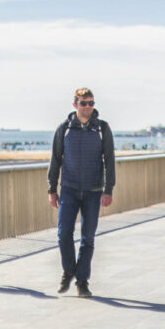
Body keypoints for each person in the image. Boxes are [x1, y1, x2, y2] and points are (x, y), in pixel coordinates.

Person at [47, 87, 115, 298]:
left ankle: (82, 281)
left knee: (88, 238)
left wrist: (108, 190)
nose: (88, 107)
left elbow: (109, 161)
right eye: (84, 103)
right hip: (68, 189)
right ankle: (68, 271)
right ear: (75, 104)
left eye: (91, 103)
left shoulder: (102, 128)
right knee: (63, 233)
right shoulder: (64, 129)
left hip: (94, 192)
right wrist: (52, 189)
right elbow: (55, 159)